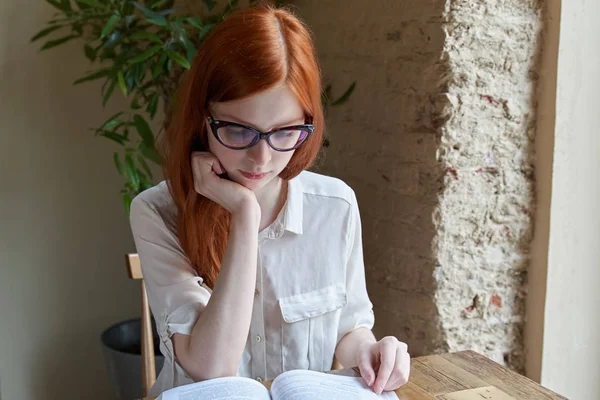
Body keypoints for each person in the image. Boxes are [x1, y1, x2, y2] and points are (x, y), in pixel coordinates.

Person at [129, 4, 410, 397]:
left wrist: (372, 351)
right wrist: (244, 214)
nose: (261, 159)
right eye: (239, 131)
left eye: (285, 131)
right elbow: (212, 369)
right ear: (202, 120)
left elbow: (348, 329)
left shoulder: (335, 206)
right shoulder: (157, 212)